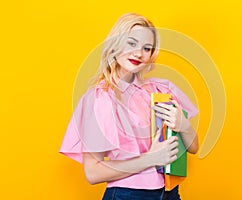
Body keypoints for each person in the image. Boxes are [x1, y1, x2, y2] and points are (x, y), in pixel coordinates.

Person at [60, 13, 199, 200]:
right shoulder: (100, 98)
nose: (139, 53)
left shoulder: (160, 89)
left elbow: (194, 147)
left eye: (147, 48)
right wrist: (151, 159)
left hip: (170, 194)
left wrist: (184, 125)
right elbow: (93, 173)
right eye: (131, 43)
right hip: (129, 195)